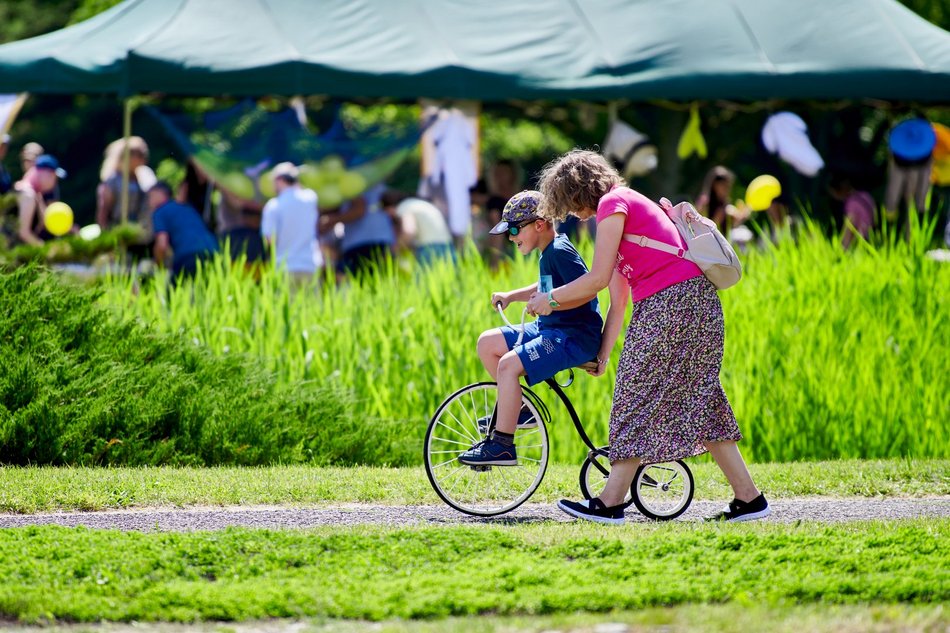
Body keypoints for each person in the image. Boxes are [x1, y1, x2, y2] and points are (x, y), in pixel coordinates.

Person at [526, 149, 769, 525]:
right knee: (701, 398)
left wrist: (549, 299)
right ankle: (749, 499)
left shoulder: (613, 203)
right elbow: (618, 301)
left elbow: (595, 280)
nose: (571, 213)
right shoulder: (623, 207)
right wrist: (603, 355)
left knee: (634, 396)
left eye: (568, 204)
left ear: (578, 191)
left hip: (673, 303)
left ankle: (609, 504)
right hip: (689, 303)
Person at [457, 190, 603, 467]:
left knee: (509, 365)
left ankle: (502, 445)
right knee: (487, 344)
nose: (511, 237)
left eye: (514, 229)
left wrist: (551, 302)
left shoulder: (559, 251)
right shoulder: (549, 252)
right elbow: (547, 288)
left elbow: (585, 292)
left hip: (570, 337)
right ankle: (519, 410)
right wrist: (512, 296)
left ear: (539, 224)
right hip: (550, 328)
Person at [260, 162, 322, 282]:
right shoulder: (310, 198)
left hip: (284, 266)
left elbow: (269, 239)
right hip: (310, 264)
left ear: (280, 180)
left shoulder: (273, 205)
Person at [149, 181, 219, 282]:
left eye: (150, 196)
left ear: (160, 194)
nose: (149, 201)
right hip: (215, 253)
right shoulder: (187, 208)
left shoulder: (160, 212)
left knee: (172, 294)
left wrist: (157, 265)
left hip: (189, 255)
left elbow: (162, 245)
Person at [328, 183, 395, 278]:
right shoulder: (375, 179)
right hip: (379, 239)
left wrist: (329, 221)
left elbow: (359, 209)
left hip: (362, 242)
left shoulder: (352, 180)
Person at [380, 190, 455, 266]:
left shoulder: (405, 207)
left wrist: (394, 250)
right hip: (448, 246)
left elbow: (409, 231)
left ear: (389, 207)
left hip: (430, 248)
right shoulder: (417, 203)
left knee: (424, 277)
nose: (390, 216)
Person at [13, 154, 66, 246]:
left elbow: (45, 223)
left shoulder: (34, 194)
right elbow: (23, 233)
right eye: (54, 177)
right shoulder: (28, 195)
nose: (54, 183)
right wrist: (44, 249)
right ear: (44, 173)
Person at [828, 173, 876, 250]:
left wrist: (842, 250)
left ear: (839, 191)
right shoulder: (866, 195)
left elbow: (850, 228)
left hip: (860, 244)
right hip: (873, 237)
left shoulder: (851, 204)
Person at [696, 166, 738, 233]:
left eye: (728, 186)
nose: (727, 189)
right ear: (714, 185)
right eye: (724, 185)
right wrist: (717, 219)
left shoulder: (725, 203)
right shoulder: (705, 202)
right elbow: (698, 226)